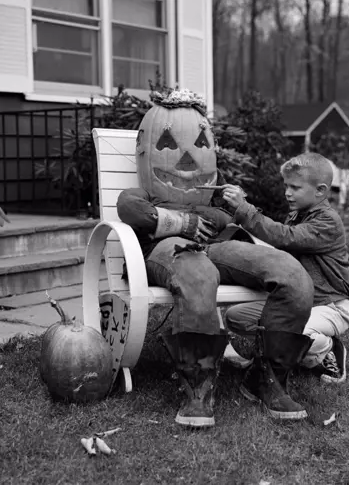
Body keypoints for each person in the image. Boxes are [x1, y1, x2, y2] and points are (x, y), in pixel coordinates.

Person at [116, 88, 315, 427]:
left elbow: (241, 219)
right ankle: (198, 387)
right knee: (199, 273)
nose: (187, 159)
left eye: (202, 143)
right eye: (168, 144)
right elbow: (129, 208)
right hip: (168, 250)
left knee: (292, 274)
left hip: (220, 247)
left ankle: (268, 378)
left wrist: (237, 203)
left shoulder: (216, 194)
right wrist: (182, 222)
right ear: (146, 151)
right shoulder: (145, 192)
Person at [221, 152, 349, 384]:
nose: (287, 192)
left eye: (295, 187)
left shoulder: (328, 221)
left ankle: (327, 350)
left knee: (291, 332)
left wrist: (245, 209)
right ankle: (282, 350)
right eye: (286, 186)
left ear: (320, 191)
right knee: (236, 317)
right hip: (296, 302)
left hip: (329, 306)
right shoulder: (296, 216)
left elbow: (285, 237)